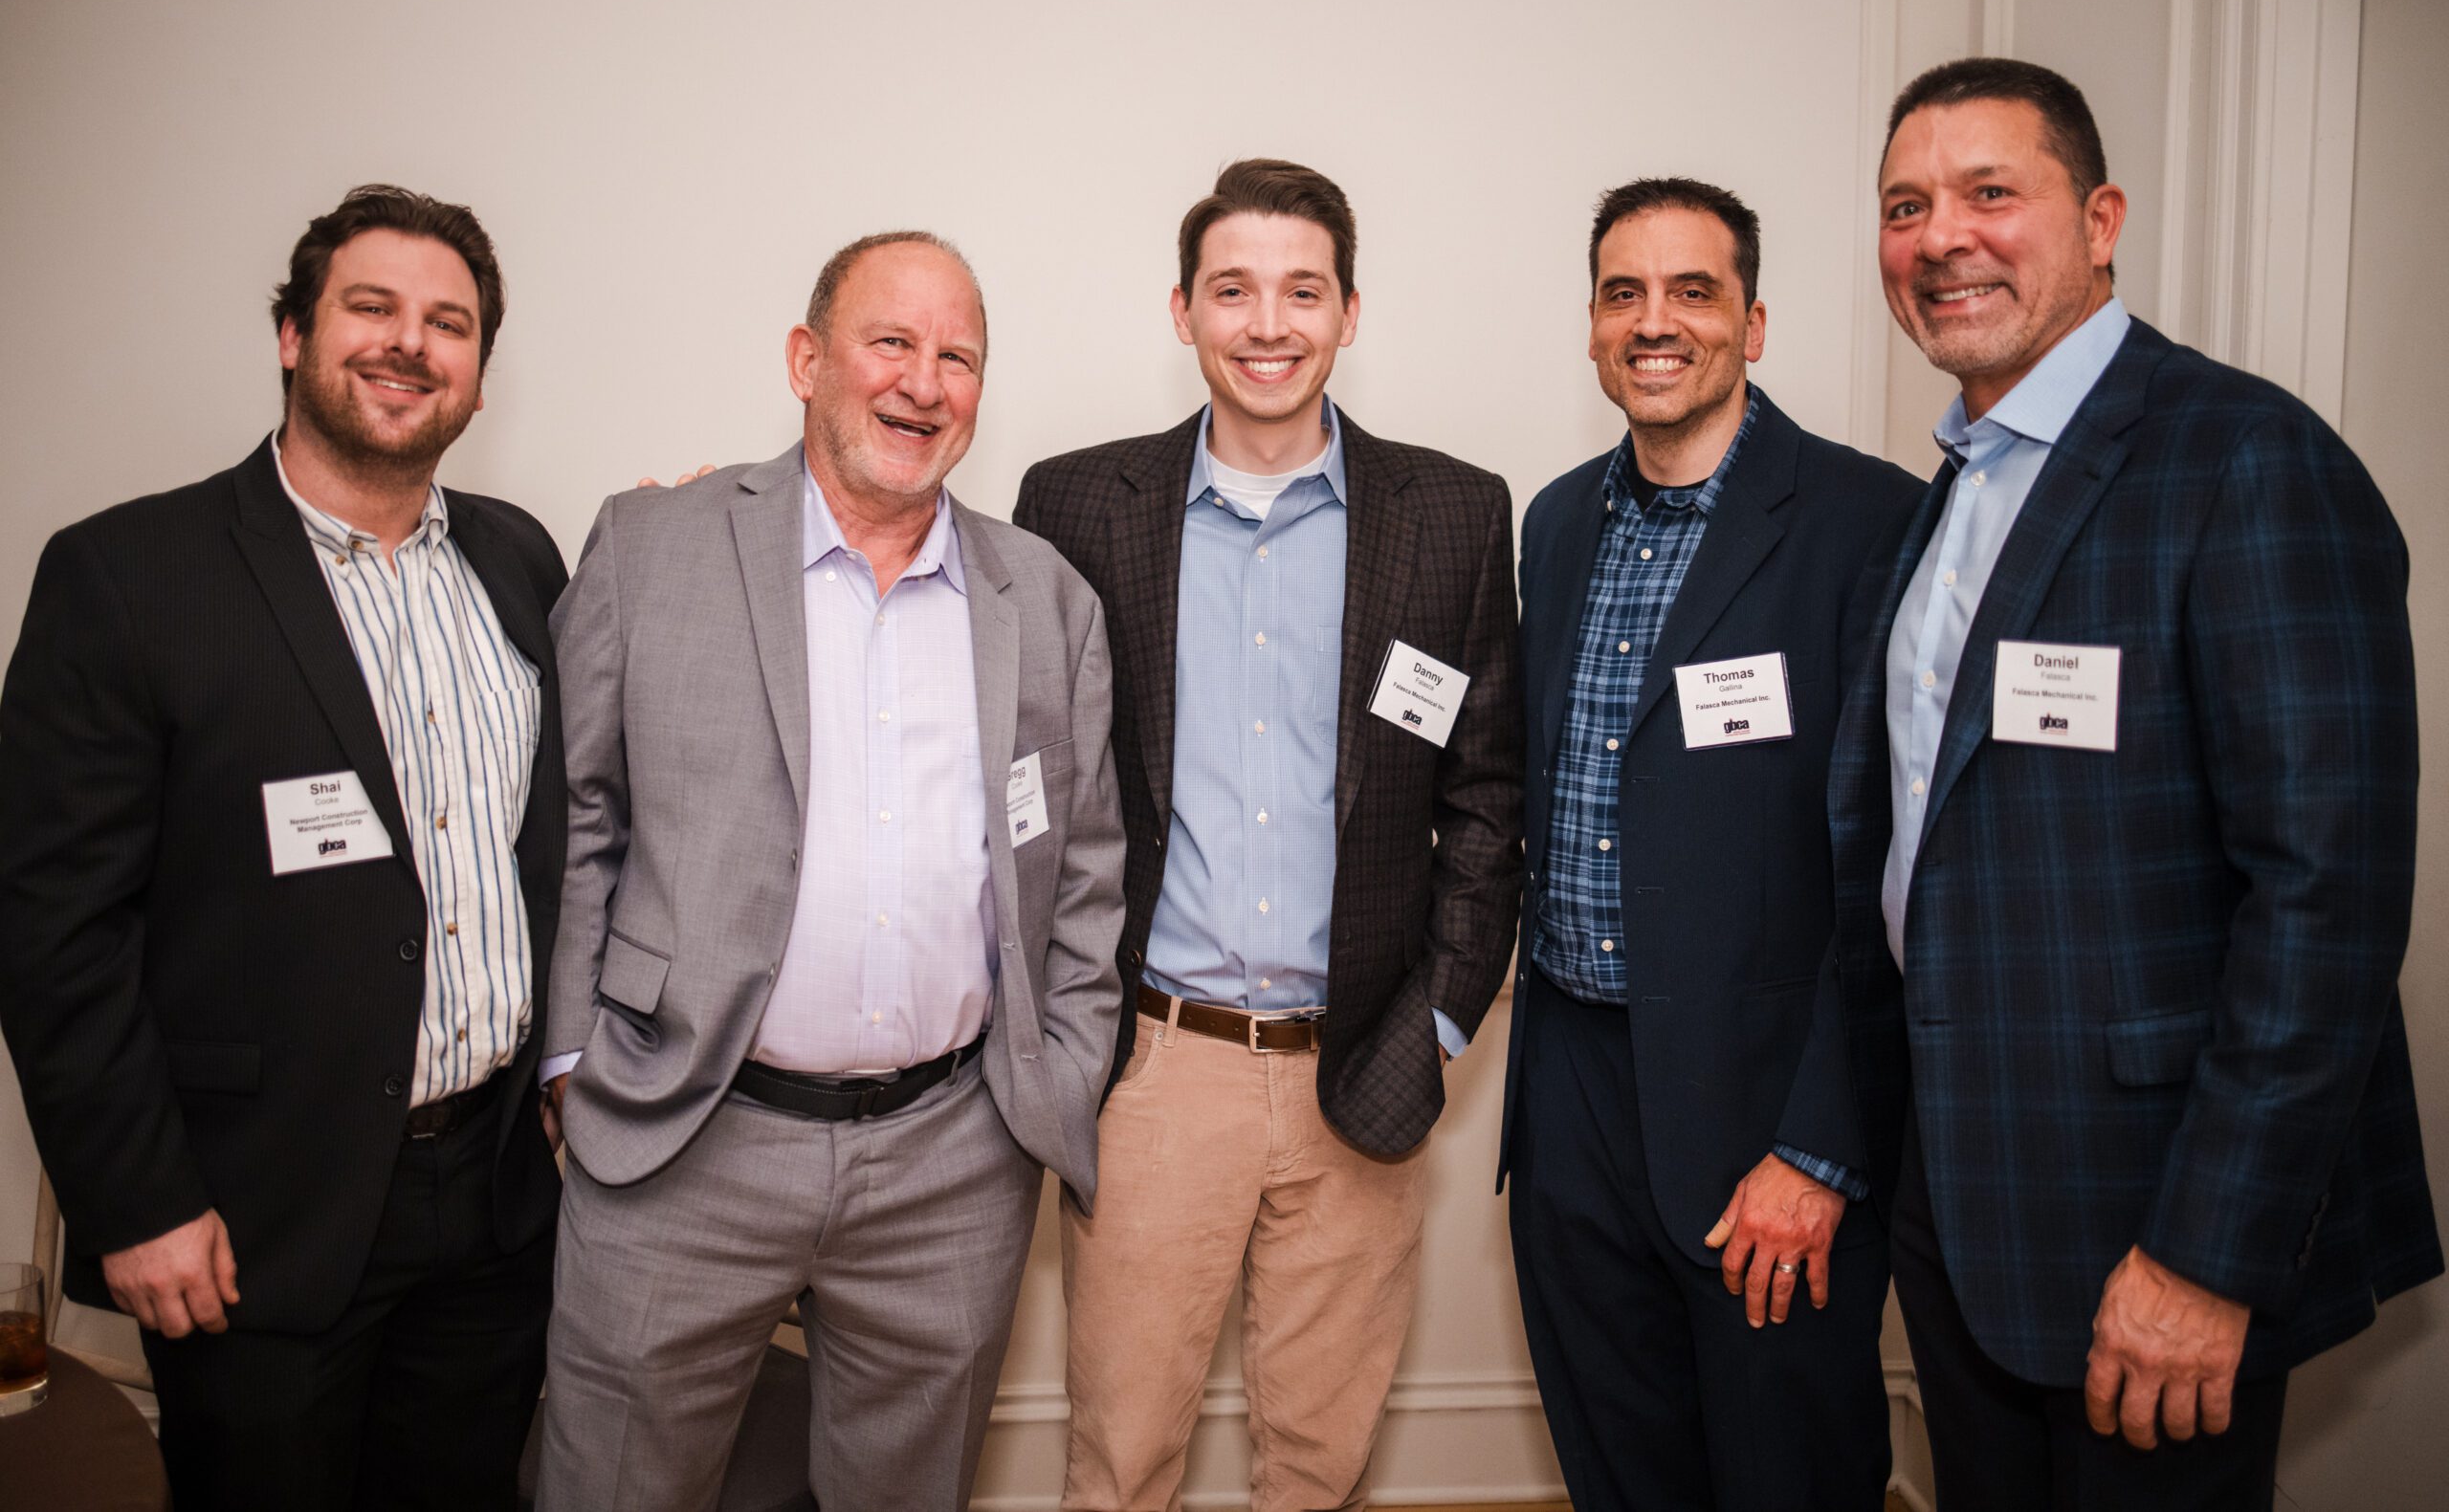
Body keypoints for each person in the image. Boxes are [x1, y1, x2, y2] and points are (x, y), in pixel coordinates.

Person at [1831, 55, 2443, 1509]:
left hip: (2152, 1221)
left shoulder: (2246, 461)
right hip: (1966, 1199)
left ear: (2100, 221)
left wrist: (2207, 1254)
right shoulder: (1954, 495)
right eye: (1906, 207)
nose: (1942, 237)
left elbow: (2329, 903)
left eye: (1991, 193)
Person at [534, 230, 1125, 1512]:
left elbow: (1082, 873)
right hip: (685, 1132)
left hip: (951, 1159)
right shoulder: (652, 546)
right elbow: (579, 814)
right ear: (807, 362)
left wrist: (1055, 1077)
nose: (924, 383)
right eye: (891, 343)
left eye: (958, 357)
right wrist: (574, 1057)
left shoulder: (1047, 600)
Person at [0, 186, 567, 1510]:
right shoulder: (128, 576)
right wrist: (136, 1200)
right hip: (253, 1220)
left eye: (449, 324)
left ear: (479, 375)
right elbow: (51, 924)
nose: (409, 343)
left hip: (494, 1210)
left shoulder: (520, 563)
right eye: (372, 308)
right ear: (293, 336)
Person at [1014, 159, 1523, 1512]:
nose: (1267, 324)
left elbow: (1487, 804)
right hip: (1154, 1072)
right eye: (1233, 289)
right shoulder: (1077, 505)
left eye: (1303, 291)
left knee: (1319, 1465)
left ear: (1350, 312)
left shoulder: (1454, 515)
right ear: (1182, 310)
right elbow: (1023, 767)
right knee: (1120, 1462)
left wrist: (1438, 1029)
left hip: (1363, 1065)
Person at [1500, 178, 1921, 1510]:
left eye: (1693, 291)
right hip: (1572, 1084)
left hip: (1764, 1103)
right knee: (1619, 1465)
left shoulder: (1868, 522)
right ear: (1590, 326)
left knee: (1787, 1473)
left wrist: (1823, 1146)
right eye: (1623, 293)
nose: (1654, 322)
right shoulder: (1557, 522)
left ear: (1754, 321)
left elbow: (1896, 868)